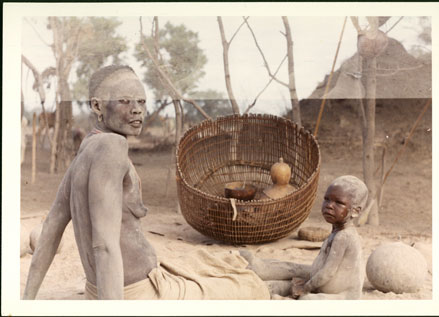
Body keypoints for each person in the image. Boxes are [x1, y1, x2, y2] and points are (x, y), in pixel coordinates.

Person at [22, 65, 269, 300]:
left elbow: (51, 227)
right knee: (247, 285)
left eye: (141, 101)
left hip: (107, 289)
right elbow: (104, 247)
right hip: (137, 294)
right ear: (97, 106)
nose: (137, 109)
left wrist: (26, 300)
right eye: (125, 101)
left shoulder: (88, 147)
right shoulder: (112, 145)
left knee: (228, 264)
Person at [240, 175, 368, 300]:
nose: (329, 205)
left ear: (355, 211)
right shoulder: (337, 230)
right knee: (291, 268)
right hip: (319, 278)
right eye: (327, 199)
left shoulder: (344, 237)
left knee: (306, 299)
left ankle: (263, 275)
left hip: (344, 295)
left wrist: (306, 287)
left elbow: (327, 273)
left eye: (338, 203)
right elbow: (322, 269)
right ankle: (259, 267)